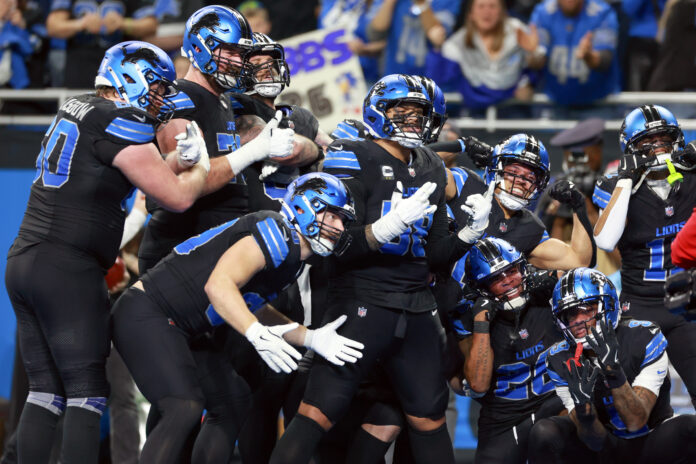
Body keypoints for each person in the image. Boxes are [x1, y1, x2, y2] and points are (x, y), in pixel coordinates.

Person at [269, 73, 493, 464]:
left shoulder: (430, 166)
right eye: (400, 111)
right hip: (361, 298)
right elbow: (331, 245)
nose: (411, 120)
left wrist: (470, 234)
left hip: (417, 306)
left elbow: (435, 254)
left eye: (418, 113)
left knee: (428, 418)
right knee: (317, 412)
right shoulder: (351, 156)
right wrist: (385, 227)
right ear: (378, 110)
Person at [4, 40, 209, 464]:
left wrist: (173, 161)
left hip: (26, 258)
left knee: (44, 391)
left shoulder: (78, 107)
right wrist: (201, 166)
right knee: (87, 394)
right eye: (155, 89)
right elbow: (178, 198)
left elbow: (127, 173)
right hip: (67, 266)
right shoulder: (123, 121)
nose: (160, 100)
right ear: (130, 80)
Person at [111, 172, 363, 464]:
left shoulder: (293, 256)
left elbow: (251, 305)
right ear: (306, 206)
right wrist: (254, 333)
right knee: (184, 406)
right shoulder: (277, 232)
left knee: (233, 400)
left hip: (180, 326)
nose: (339, 226)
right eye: (333, 215)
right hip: (148, 311)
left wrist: (309, 336)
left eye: (343, 220)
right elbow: (218, 286)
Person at [138, 5, 296, 273]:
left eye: (241, 54)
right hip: (180, 248)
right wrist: (255, 150)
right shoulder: (178, 98)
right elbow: (178, 186)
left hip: (215, 242)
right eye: (230, 51)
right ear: (200, 47)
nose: (238, 61)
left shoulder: (223, 101)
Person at [528, 267, 696, 463]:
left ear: (608, 305)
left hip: (652, 440)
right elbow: (594, 442)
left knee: (691, 429)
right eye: (570, 315)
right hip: (605, 447)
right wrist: (585, 412)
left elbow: (635, 422)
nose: (579, 321)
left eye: (587, 309)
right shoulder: (559, 358)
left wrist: (614, 372)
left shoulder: (644, 338)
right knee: (544, 432)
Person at [592, 104, 696, 406]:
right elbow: (606, 240)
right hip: (639, 305)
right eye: (646, 144)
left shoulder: (691, 174)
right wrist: (625, 180)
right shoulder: (614, 185)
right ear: (630, 150)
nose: (658, 149)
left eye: (664, 140)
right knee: (639, 405)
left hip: (688, 303)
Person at [452, 237, 564, 464]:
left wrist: (558, 279)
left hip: (555, 402)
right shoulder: (467, 318)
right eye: (496, 278)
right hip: (503, 418)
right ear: (481, 287)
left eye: (511, 271)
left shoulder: (549, 294)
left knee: (558, 433)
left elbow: (583, 265)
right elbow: (478, 384)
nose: (509, 281)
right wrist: (481, 324)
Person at [448, 133, 596, 270]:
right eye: (513, 172)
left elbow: (580, 261)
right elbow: (426, 167)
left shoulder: (530, 228)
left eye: (530, 178)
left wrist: (579, 205)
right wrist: (462, 145)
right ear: (495, 168)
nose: (521, 181)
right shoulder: (464, 183)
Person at [426, 0, 536, 109]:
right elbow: (440, 83)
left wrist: (528, 82)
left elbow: (536, 65)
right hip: (474, 111)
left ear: (502, 11)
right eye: (481, 6)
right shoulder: (457, 44)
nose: (486, 12)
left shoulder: (518, 31)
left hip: (512, 110)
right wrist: (437, 49)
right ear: (470, 14)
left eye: (492, 6)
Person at [46, 0, 158, 88]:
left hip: (120, 64)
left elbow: (151, 25)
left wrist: (123, 24)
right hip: (80, 65)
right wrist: (81, 24)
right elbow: (53, 26)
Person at [527, 0, 620, 106]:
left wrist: (588, 56)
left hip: (598, 102)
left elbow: (605, 59)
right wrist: (534, 53)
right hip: (555, 102)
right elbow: (538, 58)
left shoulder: (602, 12)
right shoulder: (543, 12)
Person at [367, 0, 460, 76]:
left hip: (430, 82)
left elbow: (438, 36)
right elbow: (375, 33)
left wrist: (421, 4)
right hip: (393, 78)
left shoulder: (449, 2)